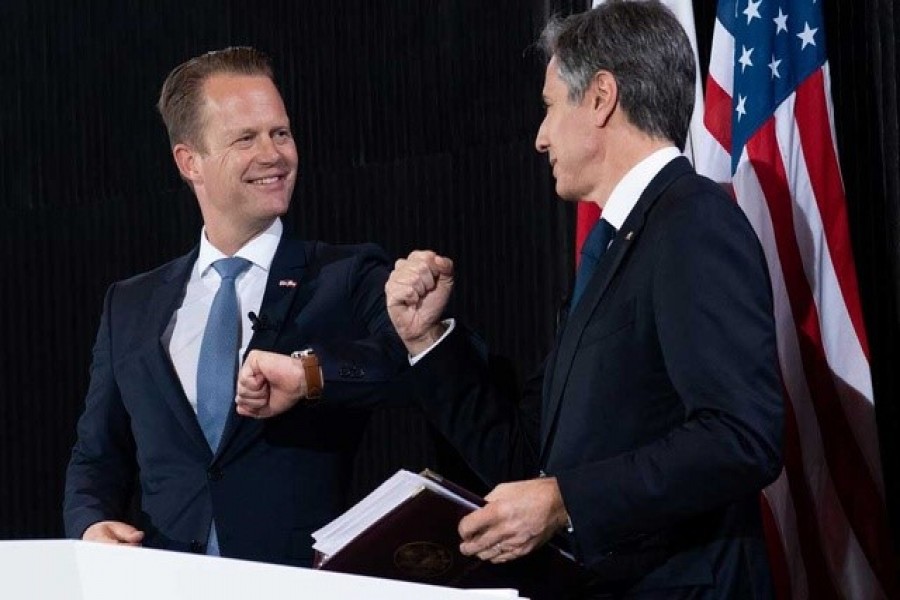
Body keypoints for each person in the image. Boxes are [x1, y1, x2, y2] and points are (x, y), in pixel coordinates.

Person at [384, 2, 784, 598]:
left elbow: (741, 436)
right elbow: (528, 457)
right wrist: (426, 340)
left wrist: (565, 500)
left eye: (548, 107)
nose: (540, 137)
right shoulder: (614, 248)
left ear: (600, 97)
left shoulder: (692, 221)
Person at [63, 46, 406, 567]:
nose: (273, 154)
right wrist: (90, 524)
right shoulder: (130, 305)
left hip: (296, 581)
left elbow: (404, 365)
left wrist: (308, 375)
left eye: (281, 133)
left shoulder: (345, 276)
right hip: (168, 579)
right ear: (189, 162)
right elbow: (96, 456)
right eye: (246, 138)